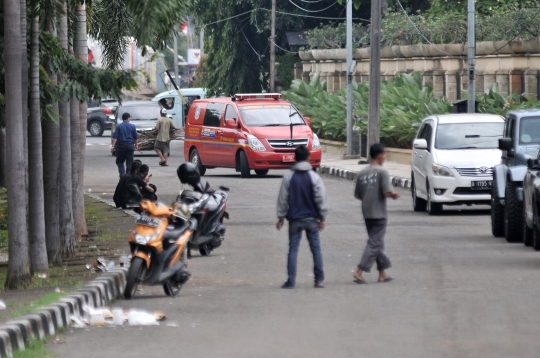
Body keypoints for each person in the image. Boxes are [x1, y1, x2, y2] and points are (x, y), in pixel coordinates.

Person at [276, 145, 328, 289]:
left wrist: (281, 218)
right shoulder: (314, 177)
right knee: (316, 249)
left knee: (293, 250)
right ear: (308, 158)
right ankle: (319, 280)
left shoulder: (289, 177)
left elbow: (283, 199)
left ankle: (291, 281)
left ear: (294, 158)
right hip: (312, 220)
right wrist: (322, 218)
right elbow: (321, 199)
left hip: (294, 220)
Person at [353, 143, 400, 284]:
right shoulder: (382, 172)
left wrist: (368, 197)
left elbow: (357, 195)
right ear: (380, 156)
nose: (385, 157)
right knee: (374, 243)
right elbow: (386, 192)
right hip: (379, 213)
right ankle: (359, 271)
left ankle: (382, 273)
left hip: (367, 213)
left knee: (377, 243)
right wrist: (394, 195)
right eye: (385, 155)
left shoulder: (362, 173)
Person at [111, 112, 139, 179]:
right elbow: (136, 138)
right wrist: (136, 145)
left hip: (121, 147)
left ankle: (122, 175)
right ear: (128, 118)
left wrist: (113, 146)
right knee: (129, 163)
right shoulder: (132, 126)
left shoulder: (119, 126)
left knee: (120, 161)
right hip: (130, 146)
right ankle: (128, 176)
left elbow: (115, 137)